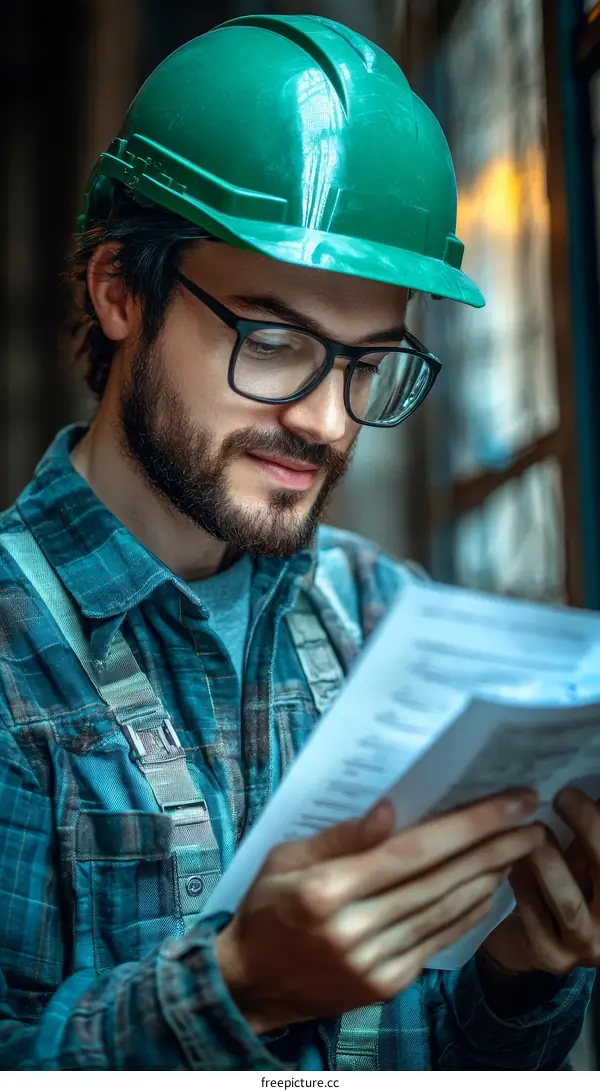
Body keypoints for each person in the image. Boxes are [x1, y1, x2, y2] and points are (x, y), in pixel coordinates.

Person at [0, 14, 597, 1072]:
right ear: (119, 291)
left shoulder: (388, 617)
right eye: (274, 341)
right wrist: (236, 988)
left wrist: (523, 972)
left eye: (370, 363)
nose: (329, 420)